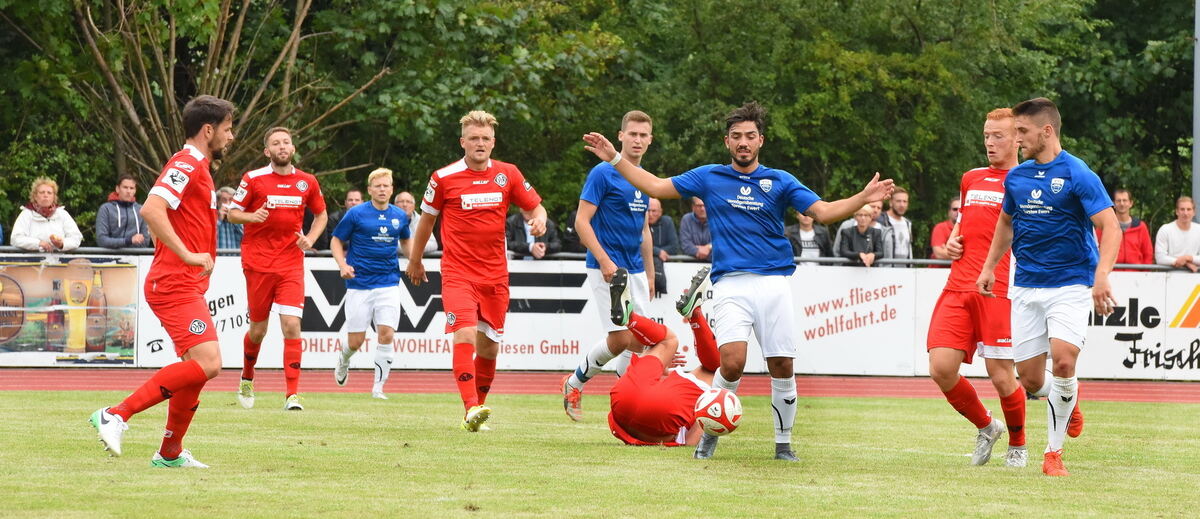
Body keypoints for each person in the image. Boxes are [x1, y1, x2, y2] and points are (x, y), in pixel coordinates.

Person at [583, 101, 894, 461]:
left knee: (782, 365)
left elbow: (822, 212)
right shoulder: (709, 176)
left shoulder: (779, 180)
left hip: (774, 283)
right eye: (736, 137)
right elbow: (654, 184)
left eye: (749, 136)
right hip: (731, 283)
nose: (743, 142)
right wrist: (614, 159)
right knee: (730, 362)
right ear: (727, 142)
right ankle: (709, 436)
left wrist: (861, 199)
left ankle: (783, 445)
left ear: (760, 140)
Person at [88, 95, 236, 468]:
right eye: (228, 129)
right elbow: (151, 209)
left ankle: (170, 453)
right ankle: (116, 414)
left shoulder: (199, 167)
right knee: (210, 362)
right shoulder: (187, 162)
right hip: (174, 283)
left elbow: (168, 218)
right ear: (208, 130)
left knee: (195, 371)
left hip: (185, 283)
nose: (231, 137)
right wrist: (186, 254)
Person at [977, 97, 1120, 477]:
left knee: (1063, 360)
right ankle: (1069, 395)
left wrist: (1101, 275)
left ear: (1046, 131)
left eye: (1022, 131)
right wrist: (990, 266)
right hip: (1025, 287)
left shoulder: (1078, 173)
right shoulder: (1018, 177)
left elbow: (1111, 227)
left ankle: (1052, 454)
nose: (1016, 138)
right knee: (1031, 379)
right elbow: (1006, 223)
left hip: (1071, 284)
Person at [405, 110, 548, 432]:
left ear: (493, 142)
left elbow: (535, 206)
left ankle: (477, 408)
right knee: (465, 333)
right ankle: (470, 407)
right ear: (463, 142)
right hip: (458, 272)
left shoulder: (507, 174)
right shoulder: (443, 178)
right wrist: (415, 260)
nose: (480, 144)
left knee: (489, 346)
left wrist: (539, 218)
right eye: (474, 138)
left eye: (485, 138)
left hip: (495, 274)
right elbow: (427, 221)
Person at [929, 108, 1029, 469]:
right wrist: (953, 242)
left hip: (998, 289)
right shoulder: (971, 178)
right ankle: (987, 426)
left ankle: (1018, 444)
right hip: (957, 285)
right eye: (986, 135)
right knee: (941, 368)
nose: (990, 142)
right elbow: (963, 226)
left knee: (1002, 374)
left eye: (998, 136)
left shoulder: (1026, 180)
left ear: (1018, 138)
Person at [561, 110, 656, 422]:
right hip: (607, 267)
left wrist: (651, 274)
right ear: (621, 136)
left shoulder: (643, 179)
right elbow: (581, 222)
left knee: (642, 339)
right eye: (633, 134)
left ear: (650, 140)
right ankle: (574, 383)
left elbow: (644, 232)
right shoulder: (602, 174)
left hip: (636, 270)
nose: (638, 140)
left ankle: (625, 403)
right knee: (621, 339)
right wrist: (604, 261)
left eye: (644, 135)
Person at [227, 127, 328, 411]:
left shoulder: (306, 182)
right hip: (258, 263)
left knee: (292, 325)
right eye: (275, 143)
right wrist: (251, 216)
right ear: (267, 151)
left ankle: (292, 395)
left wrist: (311, 237)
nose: (282, 146)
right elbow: (232, 213)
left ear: (293, 148)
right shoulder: (253, 179)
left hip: (290, 263)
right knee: (258, 330)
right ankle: (247, 376)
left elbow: (320, 214)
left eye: (286, 142)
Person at [607, 267, 721, 447]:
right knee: (717, 370)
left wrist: (663, 367)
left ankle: (630, 319)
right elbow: (691, 441)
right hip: (651, 411)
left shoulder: (678, 384)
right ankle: (696, 315)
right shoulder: (693, 386)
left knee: (668, 341)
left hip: (623, 402)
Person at [333, 169, 411, 398]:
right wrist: (342, 265)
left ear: (392, 189)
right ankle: (344, 359)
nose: (382, 189)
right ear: (369, 189)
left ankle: (378, 387)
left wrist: (414, 261)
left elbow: (406, 239)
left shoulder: (399, 215)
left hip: (388, 283)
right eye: (377, 186)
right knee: (355, 342)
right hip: (359, 284)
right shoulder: (356, 214)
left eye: (386, 186)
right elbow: (337, 240)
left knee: (386, 334)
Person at [10, 177, 83, 252]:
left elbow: (76, 237)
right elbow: (15, 239)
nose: (45, 195)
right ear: (35, 196)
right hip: (31, 261)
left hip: (59, 261)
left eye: (49, 193)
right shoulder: (26, 214)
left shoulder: (62, 214)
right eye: (42, 192)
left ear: (54, 197)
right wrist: (38, 243)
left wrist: (62, 244)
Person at [1100, 189, 1153, 268]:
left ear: (1130, 203)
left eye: (1125, 200)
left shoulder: (1141, 227)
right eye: (1118, 201)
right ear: (1113, 203)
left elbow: (1148, 253)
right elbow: (1096, 250)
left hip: (1136, 274)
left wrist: (1144, 273)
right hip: (1111, 273)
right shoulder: (1105, 226)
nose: (1122, 204)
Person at [96, 174, 150, 249]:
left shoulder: (141, 210)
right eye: (125, 187)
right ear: (117, 189)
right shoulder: (105, 209)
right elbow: (102, 240)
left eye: (131, 188)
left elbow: (145, 241)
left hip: (136, 258)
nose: (128, 191)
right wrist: (128, 241)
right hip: (110, 257)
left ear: (135, 190)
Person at [1154, 196, 1200, 272]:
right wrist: (1185, 263)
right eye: (1182, 209)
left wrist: (1188, 258)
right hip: (1169, 279)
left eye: (1189, 209)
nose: (1185, 213)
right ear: (1176, 211)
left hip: (1194, 279)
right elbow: (1160, 258)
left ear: (1194, 212)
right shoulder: (1165, 230)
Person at [647, 197, 681, 293]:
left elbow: (674, 247)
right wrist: (658, 251)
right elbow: (637, 244)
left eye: (654, 211)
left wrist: (651, 251)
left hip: (664, 269)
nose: (650, 214)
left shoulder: (667, 222)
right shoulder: (640, 222)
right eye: (648, 210)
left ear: (660, 212)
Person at [394, 191, 437, 256]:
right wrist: (409, 244)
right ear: (395, 205)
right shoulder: (388, 220)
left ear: (414, 206)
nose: (405, 204)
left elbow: (433, 244)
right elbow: (386, 243)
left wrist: (412, 244)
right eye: (401, 201)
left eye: (408, 202)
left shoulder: (422, 221)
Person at [877, 187, 912, 265]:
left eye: (905, 201)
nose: (902, 205)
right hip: (885, 269)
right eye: (898, 201)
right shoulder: (881, 221)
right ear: (891, 202)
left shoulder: (907, 223)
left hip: (905, 269)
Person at [679, 197, 712, 261]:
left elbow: (720, 241)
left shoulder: (716, 219)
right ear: (693, 207)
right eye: (699, 206)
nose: (702, 209)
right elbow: (685, 245)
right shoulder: (686, 220)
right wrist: (697, 251)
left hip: (713, 264)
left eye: (705, 205)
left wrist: (708, 247)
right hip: (690, 263)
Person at [930, 196, 961, 261]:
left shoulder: (969, 229)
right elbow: (938, 254)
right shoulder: (940, 228)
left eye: (961, 210)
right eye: (955, 209)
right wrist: (962, 253)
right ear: (949, 212)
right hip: (938, 270)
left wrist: (947, 250)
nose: (958, 212)